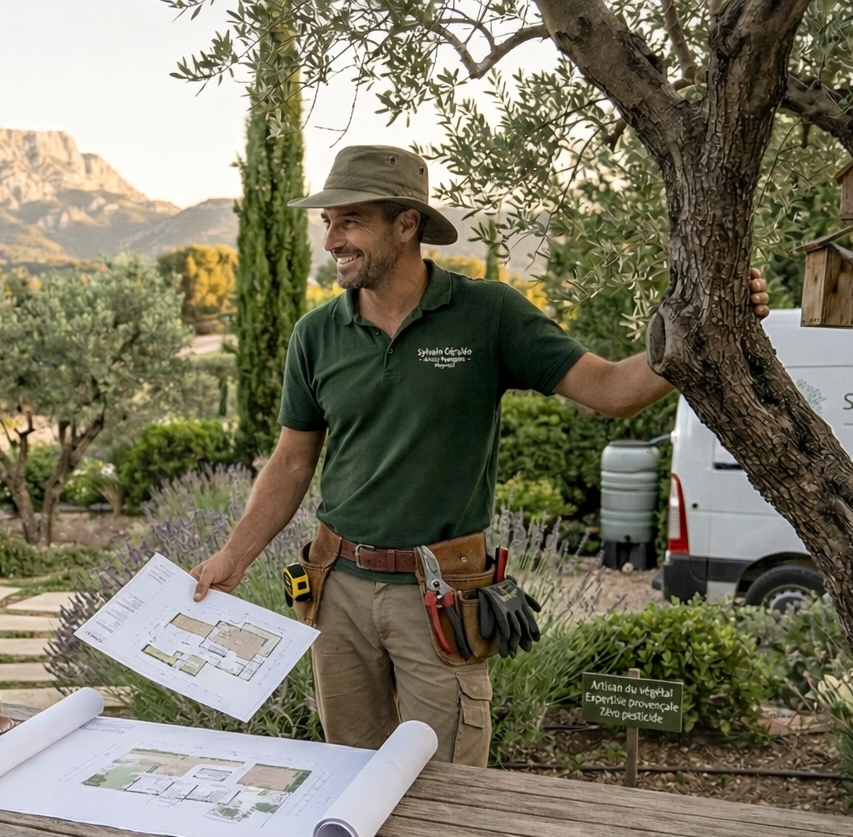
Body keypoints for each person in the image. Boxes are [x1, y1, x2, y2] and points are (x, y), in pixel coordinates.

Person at [191, 144, 771, 767]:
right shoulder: (317, 334)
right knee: (346, 778)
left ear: (407, 224)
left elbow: (612, 391)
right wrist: (232, 556)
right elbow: (291, 463)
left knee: (447, 789)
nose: (332, 239)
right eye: (328, 222)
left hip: (440, 598)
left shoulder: (488, 314)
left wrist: (706, 332)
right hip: (337, 593)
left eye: (350, 220)